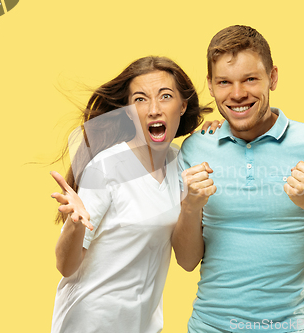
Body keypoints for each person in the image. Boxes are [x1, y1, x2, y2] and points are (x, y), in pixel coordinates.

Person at [172, 25, 304, 333]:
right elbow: (186, 261)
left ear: (272, 77)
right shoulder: (195, 147)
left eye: (250, 79)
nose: (237, 94)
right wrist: (191, 206)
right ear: (211, 85)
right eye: (224, 82)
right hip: (207, 327)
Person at [48, 56, 222, 333]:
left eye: (165, 96)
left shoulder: (180, 164)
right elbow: (66, 266)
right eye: (140, 99)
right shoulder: (106, 167)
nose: (154, 109)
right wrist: (75, 224)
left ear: (182, 105)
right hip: (89, 324)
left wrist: (214, 140)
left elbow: (187, 261)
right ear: (129, 111)